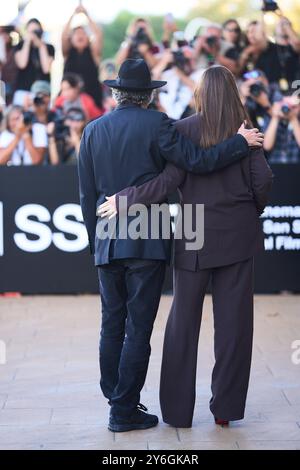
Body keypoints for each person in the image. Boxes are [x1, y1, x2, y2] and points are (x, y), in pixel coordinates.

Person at [77, 58, 263, 433]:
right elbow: (206, 165)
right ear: (147, 95)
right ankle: (131, 408)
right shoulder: (165, 124)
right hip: (157, 236)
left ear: (115, 92)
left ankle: (125, 401)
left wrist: (95, 238)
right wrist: (240, 146)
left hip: (123, 237)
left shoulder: (94, 131)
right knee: (147, 328)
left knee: (119, 324)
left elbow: (88, 195)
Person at [62, 4, 103, 108]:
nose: (80, 35)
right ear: (71, 39)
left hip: (92, 98)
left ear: (88, 39)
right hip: (69, 100)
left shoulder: (93, 53)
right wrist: (73, 15)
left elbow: (98, 35)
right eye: (76, 33)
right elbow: (63, 35)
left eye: (83, 33)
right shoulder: (67, 53)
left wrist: (86, 14)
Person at [14, 19, 55, 105]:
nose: (33, 34)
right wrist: (27, 42)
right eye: (31, 31)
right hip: (24, 90)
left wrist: (40, 46)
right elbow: (22, 64)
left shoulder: (48, 47)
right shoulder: (20, 46)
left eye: (36, 31)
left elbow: (46, 69)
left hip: (42, 92)